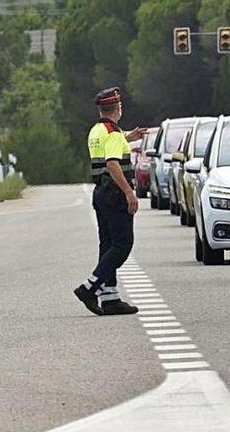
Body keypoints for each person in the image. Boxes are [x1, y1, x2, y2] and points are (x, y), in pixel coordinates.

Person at [74, 87, 146, 316]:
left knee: (107, 245)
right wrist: (129, 192)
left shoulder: (98, 130)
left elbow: (109, 146)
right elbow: (113, 163)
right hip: (115, 194)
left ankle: (110, 298)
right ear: (119, 108)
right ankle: (89, 288)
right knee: (122, 244)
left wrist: (129, 138)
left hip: (101, 193)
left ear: (101, 110)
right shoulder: (113, 133)